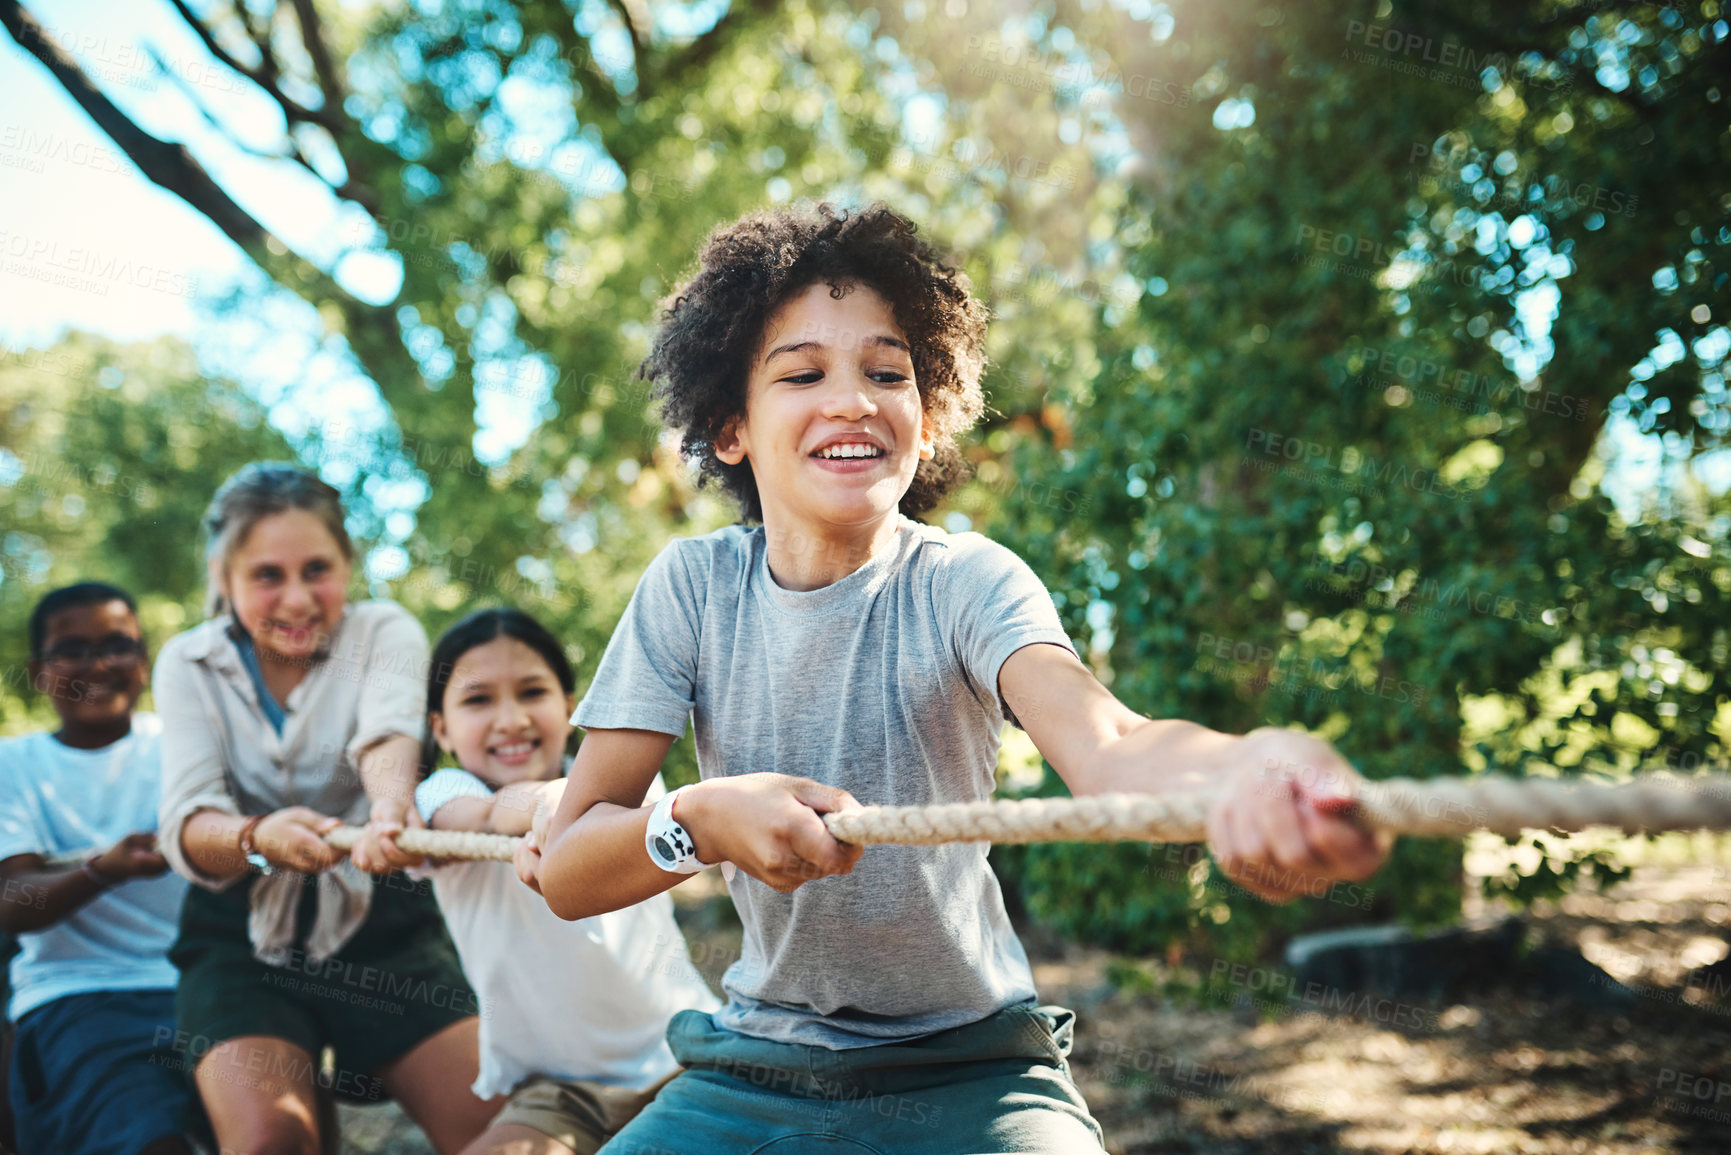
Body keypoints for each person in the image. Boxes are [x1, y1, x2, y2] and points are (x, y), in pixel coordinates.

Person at [520, 203, 1393, 1153]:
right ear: (730, 427)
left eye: (887, 373)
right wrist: (702, 816)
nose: (852, 399)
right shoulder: (688, 589)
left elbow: (1110, 745)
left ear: (927, 421)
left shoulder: (967, 581)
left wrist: (1247, 765)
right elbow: (569, 869)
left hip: (975, 1070)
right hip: (755, 1071)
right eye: (802, 372)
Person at [153, 463, 499, 1155]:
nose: (297, 597)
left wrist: (389, 810)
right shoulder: (187, 662)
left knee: (498, 1130)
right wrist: (257, 836)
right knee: (271, 1139)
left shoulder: (384, 630)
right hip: (238, 936)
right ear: (224, 577)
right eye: (266, 575)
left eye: (318, 568)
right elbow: (189, 820)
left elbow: (387, 734)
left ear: (349, 562)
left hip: (385, 924)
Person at [415, 608, 718, 1155]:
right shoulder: (442, 794)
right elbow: (480, 817)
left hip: (683, 1057)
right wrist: (541, 802)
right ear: (441, 729)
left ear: (571, 708)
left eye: (531, 692)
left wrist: (574, 805)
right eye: (478, 700)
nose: (509, 719)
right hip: (558, 1091)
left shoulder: (629, 788)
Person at [0, 582, 197, 1155]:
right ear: (39, 671)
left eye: (117, 645)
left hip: (203, 986)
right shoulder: (14, 765)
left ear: (144, 662)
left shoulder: (185, 748)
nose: (98, 664)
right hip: (80, 997)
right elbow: (12, 900)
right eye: (73, 650)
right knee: (150, 1140)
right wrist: (103, 872)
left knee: (277, 1128)